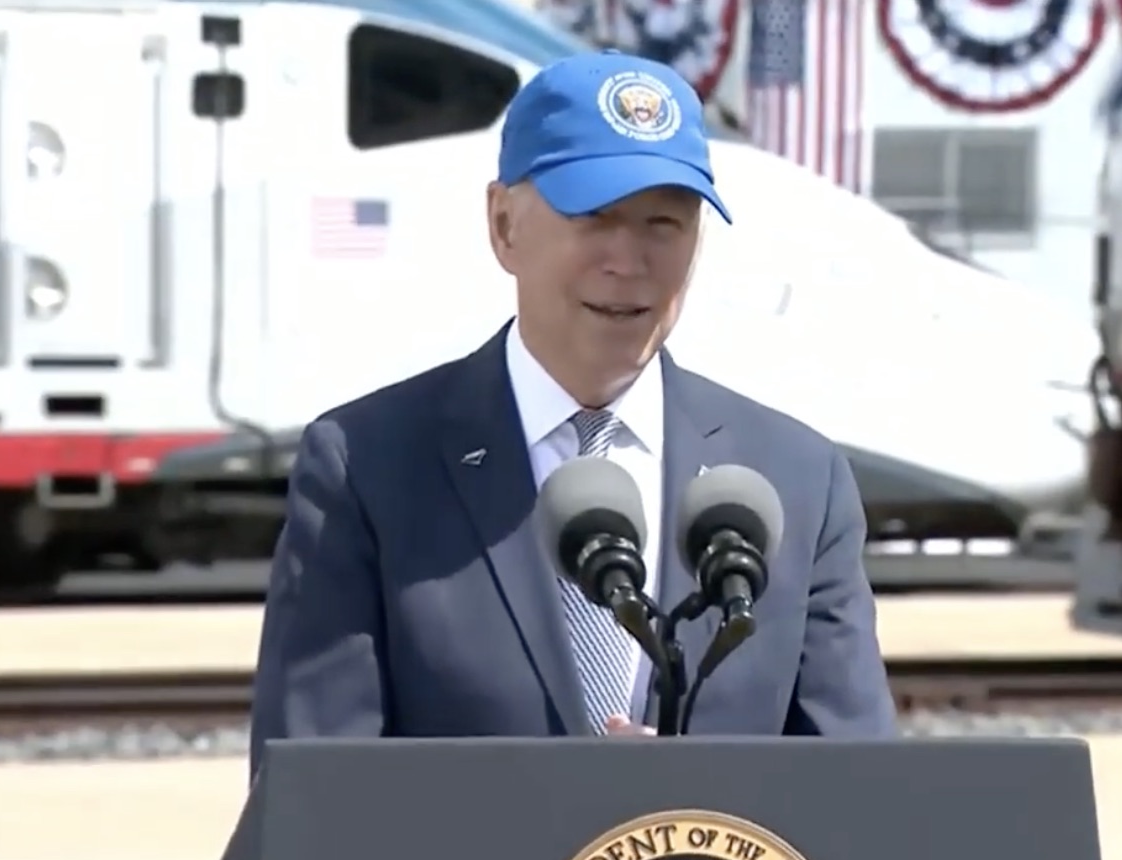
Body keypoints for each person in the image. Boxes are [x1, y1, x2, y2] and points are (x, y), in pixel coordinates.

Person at [249, 50, 893, 775]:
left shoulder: (796, 481)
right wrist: (571, 821)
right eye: (595, 216)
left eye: (664, 223)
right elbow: (314, 800)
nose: (629, 259)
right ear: (503, 225)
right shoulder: (365, 466)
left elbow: (860, 803)